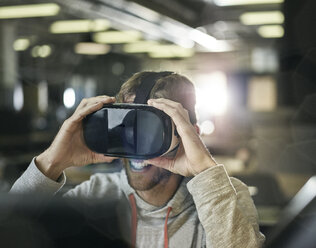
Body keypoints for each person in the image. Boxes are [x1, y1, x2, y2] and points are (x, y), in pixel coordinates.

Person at [10, 71, 265, 247]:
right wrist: (53, 161)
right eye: (127, 127)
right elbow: (9, 231)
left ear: (188, 135)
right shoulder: (96, 195)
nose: (135, 147)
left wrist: (205, 171)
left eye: (151, 130)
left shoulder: (223, 198)